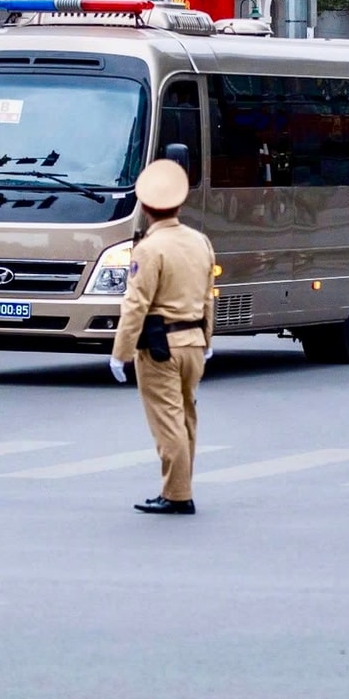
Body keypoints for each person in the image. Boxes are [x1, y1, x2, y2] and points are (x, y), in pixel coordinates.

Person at [109, 158, 214, 516]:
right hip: (194, 345)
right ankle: (179, 488)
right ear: (179, 203)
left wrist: (120, 353)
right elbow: (207, 297)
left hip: (160, 348)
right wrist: (207, 341)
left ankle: (178, 495)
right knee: (185, 418)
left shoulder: (149, 249)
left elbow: (136, 304)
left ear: (147, 207)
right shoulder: (200, 242)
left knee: (168, 422)